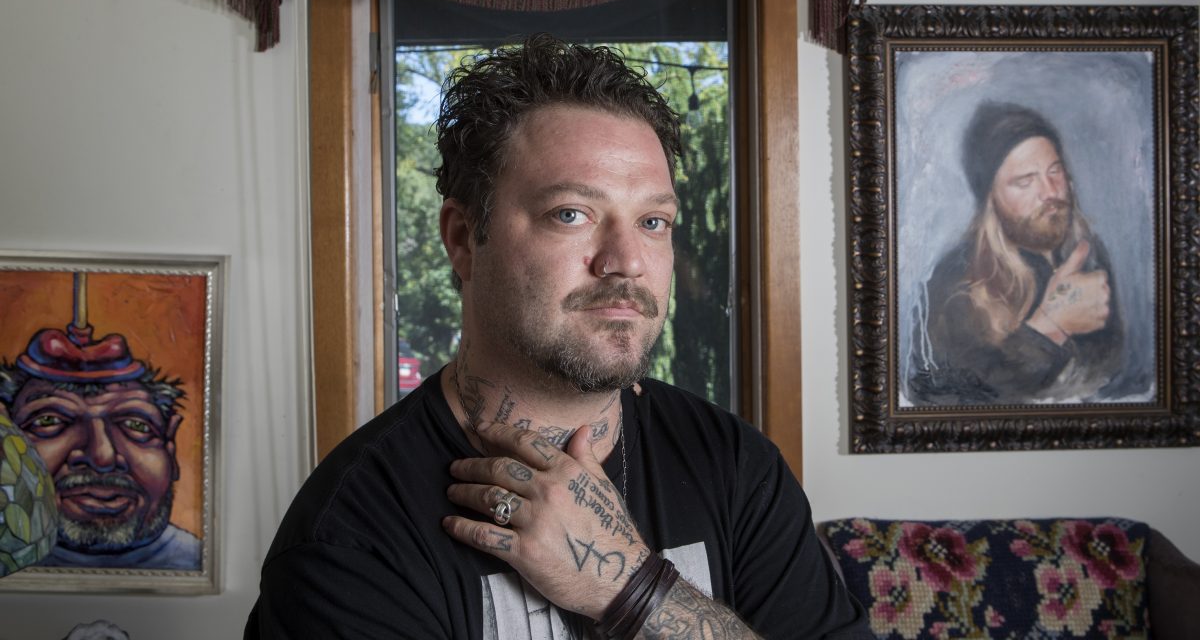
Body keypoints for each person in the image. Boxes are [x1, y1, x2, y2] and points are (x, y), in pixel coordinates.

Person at [245, 34, 868, 639]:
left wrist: (634, 590)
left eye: (653, 221)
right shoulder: (351, 535)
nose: (626, 261)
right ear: (463, 239)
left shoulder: (735, 466)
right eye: (571, 214)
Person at [908, 101, 1124, 405]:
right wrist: (1049, 328)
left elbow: (1116, 375)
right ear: (990, 198)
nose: (1051, 192)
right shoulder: (954, 283)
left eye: (1055, 171)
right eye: (1025, 181)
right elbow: (945, 397)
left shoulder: (1087, 253)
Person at [0, 325, 200, 570]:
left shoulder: (196, 562)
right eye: (49, 421)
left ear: (170, 448)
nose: (102, 457)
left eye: (136, 425)